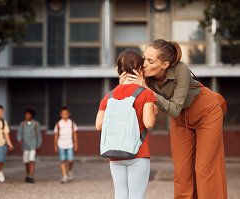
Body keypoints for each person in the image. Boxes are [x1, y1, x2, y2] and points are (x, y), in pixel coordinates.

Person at [120, 39, 227, 199]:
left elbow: (175, 109)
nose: (144, 64)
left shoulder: (180, 70)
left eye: (150, 61)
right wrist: (124, 86)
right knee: (182, 173)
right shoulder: (144, 75)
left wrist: (147, 90)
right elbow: (140, 105)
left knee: (205, 169)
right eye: (144, 58)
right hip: (180, 120)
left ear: (165, 64)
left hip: (206, 112)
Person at [96, 49, 157, 199]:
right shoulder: (145, 93)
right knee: (136, 196)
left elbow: (98, 125)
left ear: (119, 71)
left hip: (115, 154)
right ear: (140, 70)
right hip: (138, 153)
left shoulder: (109, 96)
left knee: (120, 195)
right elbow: (149, 123)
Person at [17, 107, 42, 183]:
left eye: (28, 114)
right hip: (25, 146)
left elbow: (38, 135)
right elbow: (19, 133)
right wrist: (19, 140)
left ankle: (31, 176)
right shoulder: (22, 124)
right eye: (26, 114)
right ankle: (27, 175)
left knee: (32, 160)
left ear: (32, 115)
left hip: (33, 145)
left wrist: (38, 145)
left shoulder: (36, 124)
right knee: (26, 161)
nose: (27, 116)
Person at [54, 106, 78, 183]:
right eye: (63, 114)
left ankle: (70, 171)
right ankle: (64, 176)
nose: (65, 115)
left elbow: (74, 134)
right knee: (63, 160)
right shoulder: (58, 124)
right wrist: (55, 145)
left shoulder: (71, 123)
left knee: (71, 160)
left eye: (66, 113)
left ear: (69, 114)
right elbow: (56, 135)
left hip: (70, 144)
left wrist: (76, 144)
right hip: (61, 144)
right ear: (61, 114)